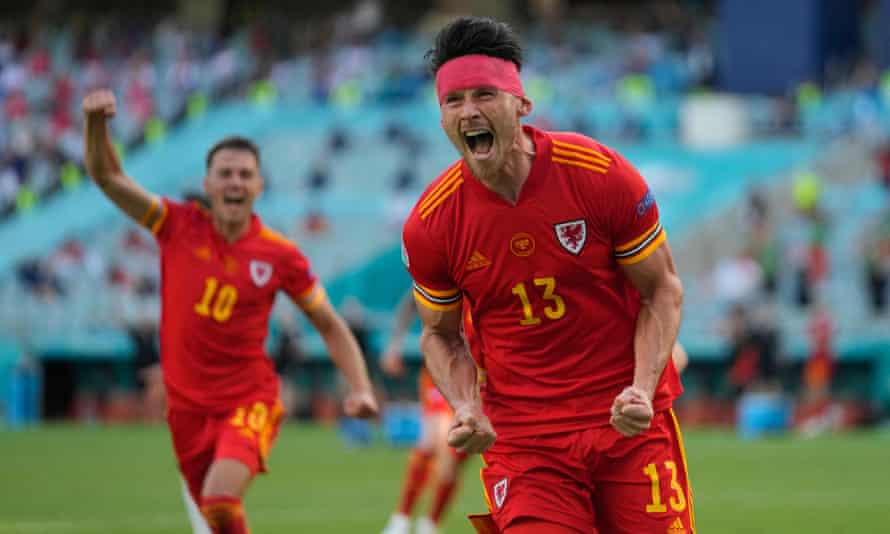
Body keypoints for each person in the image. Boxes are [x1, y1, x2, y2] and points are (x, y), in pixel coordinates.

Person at [400, 17, 691, 534]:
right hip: (526, 443)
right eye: (454, 100)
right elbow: (440, 335)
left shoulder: (599, 174)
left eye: (484, 94)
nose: (469, 111)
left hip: (626, 422)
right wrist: (465, 406)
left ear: (521, 104)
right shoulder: (432, 223)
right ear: (442, 117)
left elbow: (662, 290)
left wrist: (643, 390)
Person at [82, 89, 378, 534]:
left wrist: (361, 388)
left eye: (245, 174)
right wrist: (96, 124)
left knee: (220, 500)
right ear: (208, 184)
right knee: (215, 515)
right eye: (225, 174)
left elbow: (329, 325)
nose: (235, 182)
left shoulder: (280, 255)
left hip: (248, 400)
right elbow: (108, 179)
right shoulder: (175, 225)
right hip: (185, 410)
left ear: (259, 186)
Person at [380, 291, 470, 534]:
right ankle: (404, 519)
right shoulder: (447, 265)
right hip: (441, 365)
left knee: (454, 451)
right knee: (433, 441)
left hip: (478, 370)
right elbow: (410, 302)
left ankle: (427, 522)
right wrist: (394, 345)